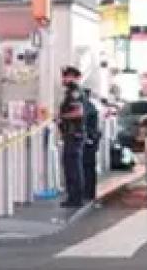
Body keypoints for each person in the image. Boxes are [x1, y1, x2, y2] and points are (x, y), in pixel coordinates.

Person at [58, 66, 87, 208]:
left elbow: (78, 112)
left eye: (66, 76)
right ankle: (73, 197)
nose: (63, 79)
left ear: (73, 77)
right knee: (71, 166)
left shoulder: (74, 92)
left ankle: (75, 198)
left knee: (72, 167)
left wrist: (61, 117)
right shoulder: (71, 92)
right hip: (71, 134)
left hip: (73, 134)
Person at [81, 87, 101, 202]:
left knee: (86, 167)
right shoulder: (91, 106)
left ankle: (87, 192)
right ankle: (89, 192)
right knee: (89, 167)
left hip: (88, 140)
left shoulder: (86, 107)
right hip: (91, 140)